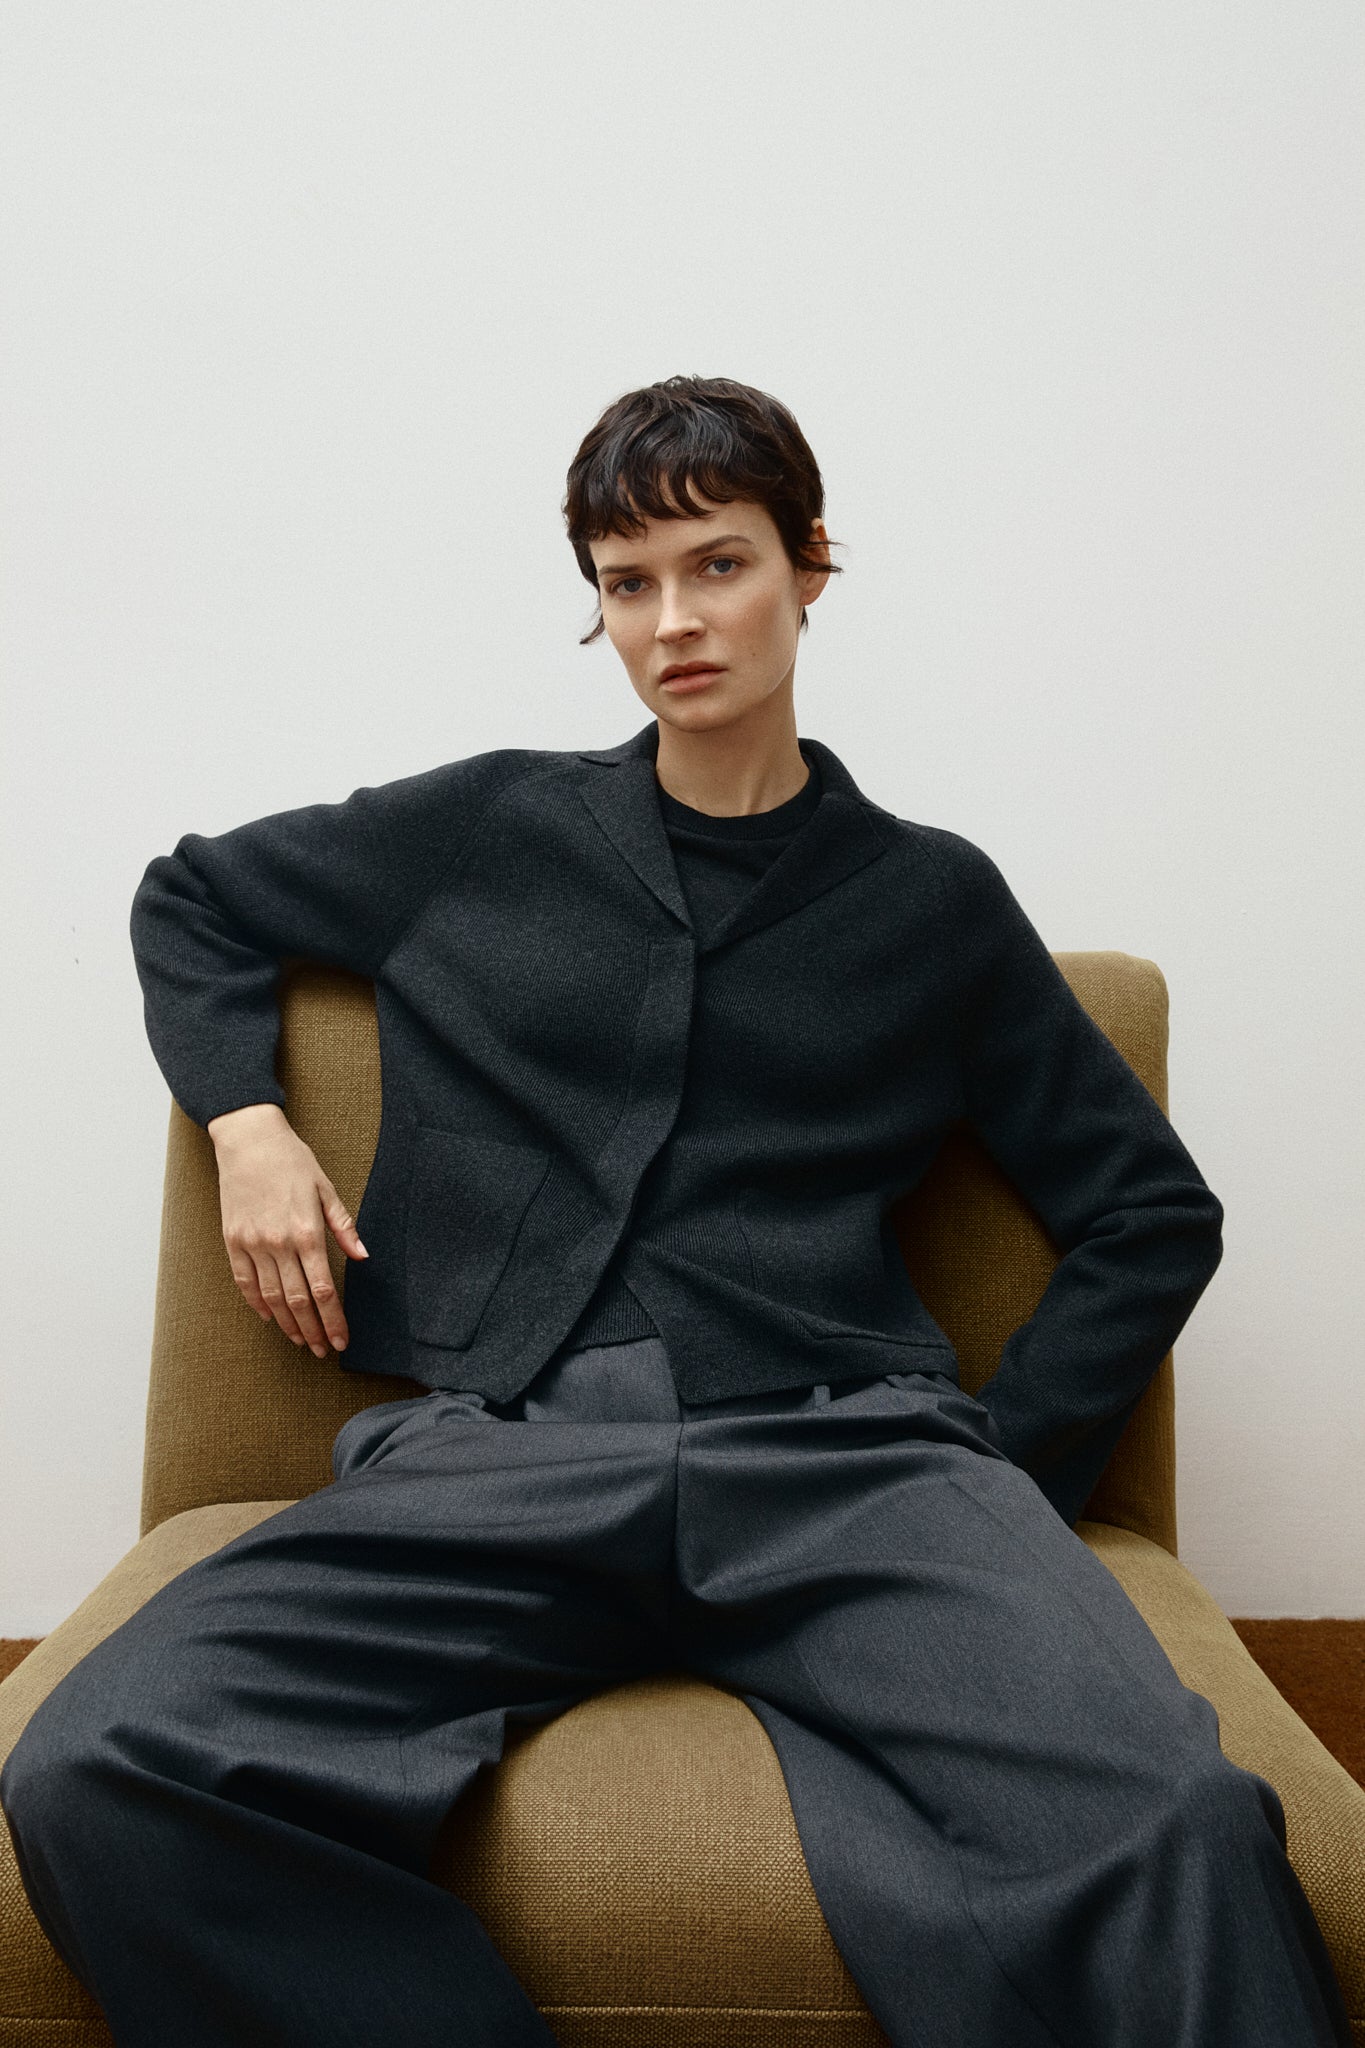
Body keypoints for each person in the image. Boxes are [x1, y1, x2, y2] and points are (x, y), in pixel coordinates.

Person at [1, 375, 1351, 2047]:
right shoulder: (487, 828)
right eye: (625, 584)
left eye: (716, 566)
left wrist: (998, 1467)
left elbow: (1148, 1209)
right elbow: (194, 895)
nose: (671, 622)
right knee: (96, 1759)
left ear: (808, 571)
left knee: (1181, 1824)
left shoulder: (930, 900)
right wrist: (248, 1121)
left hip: (844, 1456)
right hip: (510, 1456)